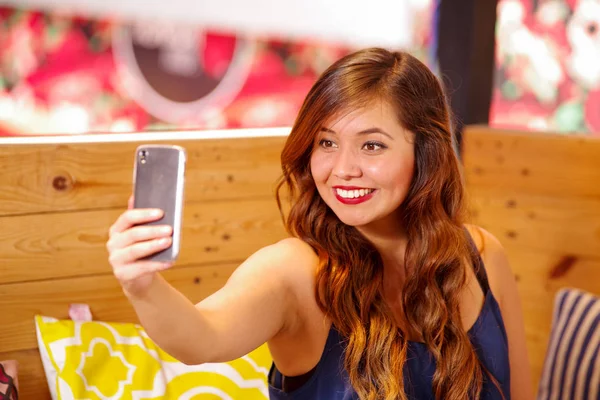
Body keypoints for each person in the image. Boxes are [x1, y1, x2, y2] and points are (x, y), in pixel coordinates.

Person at [106, 48, 533, 400]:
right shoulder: (292, 271)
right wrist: (142, 285)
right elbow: (201, 339)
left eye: (371, 145)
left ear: (425, 153)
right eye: (326, 142)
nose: (343, 169)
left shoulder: (481, 256)